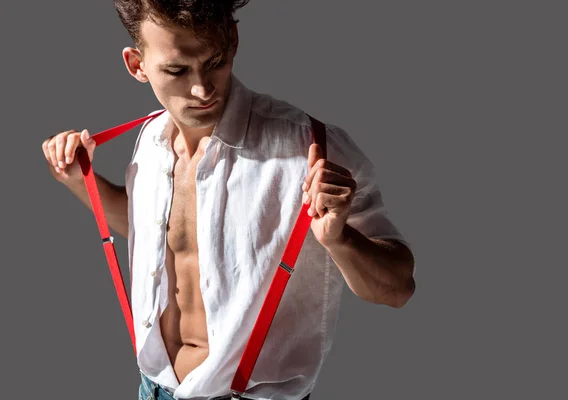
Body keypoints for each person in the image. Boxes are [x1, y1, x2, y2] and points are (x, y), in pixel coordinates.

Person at [41, 1, 416, 399]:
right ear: (137, 65)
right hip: (153, 389)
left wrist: (340, 239)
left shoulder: (310, 148)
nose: (202, 89)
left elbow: (396, 289)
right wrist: (78, 180)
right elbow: (145, 230)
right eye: (177, 70)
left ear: (233, 41)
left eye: (215, 62)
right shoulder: (150, 140)